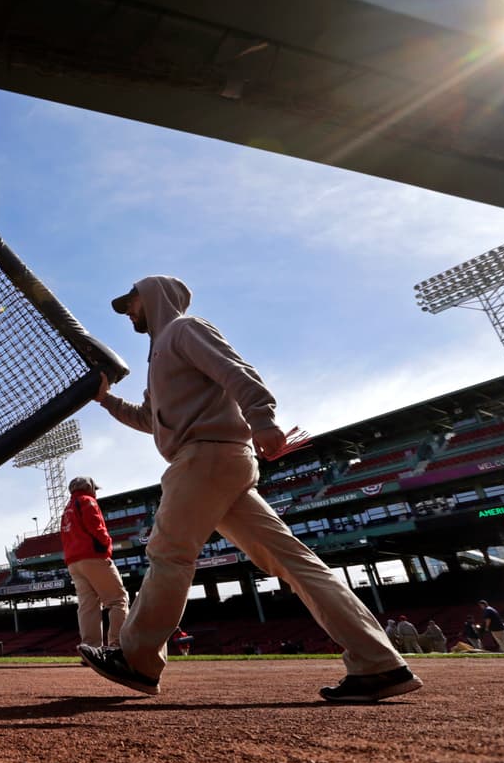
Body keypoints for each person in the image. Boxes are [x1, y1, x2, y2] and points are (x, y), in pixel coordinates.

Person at [78, 276, 421, 703]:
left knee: (168, 554)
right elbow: (149, 418)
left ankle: (138, 659)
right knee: (296, 562)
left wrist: (262, 417)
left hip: (206, 456)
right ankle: (380, 663)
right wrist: (106, 399)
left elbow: (235, 370)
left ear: (151, 297)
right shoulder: (158, 356)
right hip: (218, 463)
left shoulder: (184, 329)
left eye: (130, 301)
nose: (128, 310)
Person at [61, 476, 129, 650]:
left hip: (73, 562)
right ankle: (117, 645)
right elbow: (97, 528)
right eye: (94, 489)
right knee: (118, 600)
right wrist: (107, 546)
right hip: (93, 557)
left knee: (88, 605)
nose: (95, 492)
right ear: (88, 487)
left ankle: (90, 648)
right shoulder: (87, 501)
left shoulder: (67, 508)